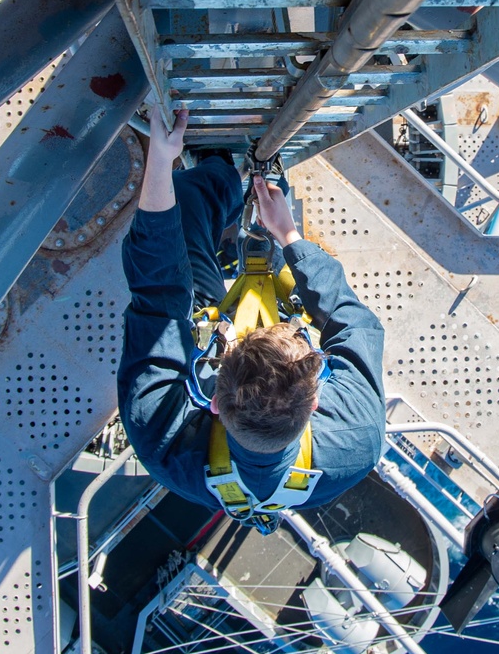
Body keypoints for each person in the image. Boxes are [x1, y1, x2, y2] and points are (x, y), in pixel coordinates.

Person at [116, 105, 386, 522]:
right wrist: (290, 239)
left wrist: (161, 161)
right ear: (316, 404)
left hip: (206, 325)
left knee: (187, 207)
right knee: (287, 267)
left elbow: (160, 290)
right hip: (232, 351)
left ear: (212, 403)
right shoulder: (355, 436)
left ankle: (219, 172)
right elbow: (354, 325)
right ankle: (248, 195)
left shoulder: (165, 437)